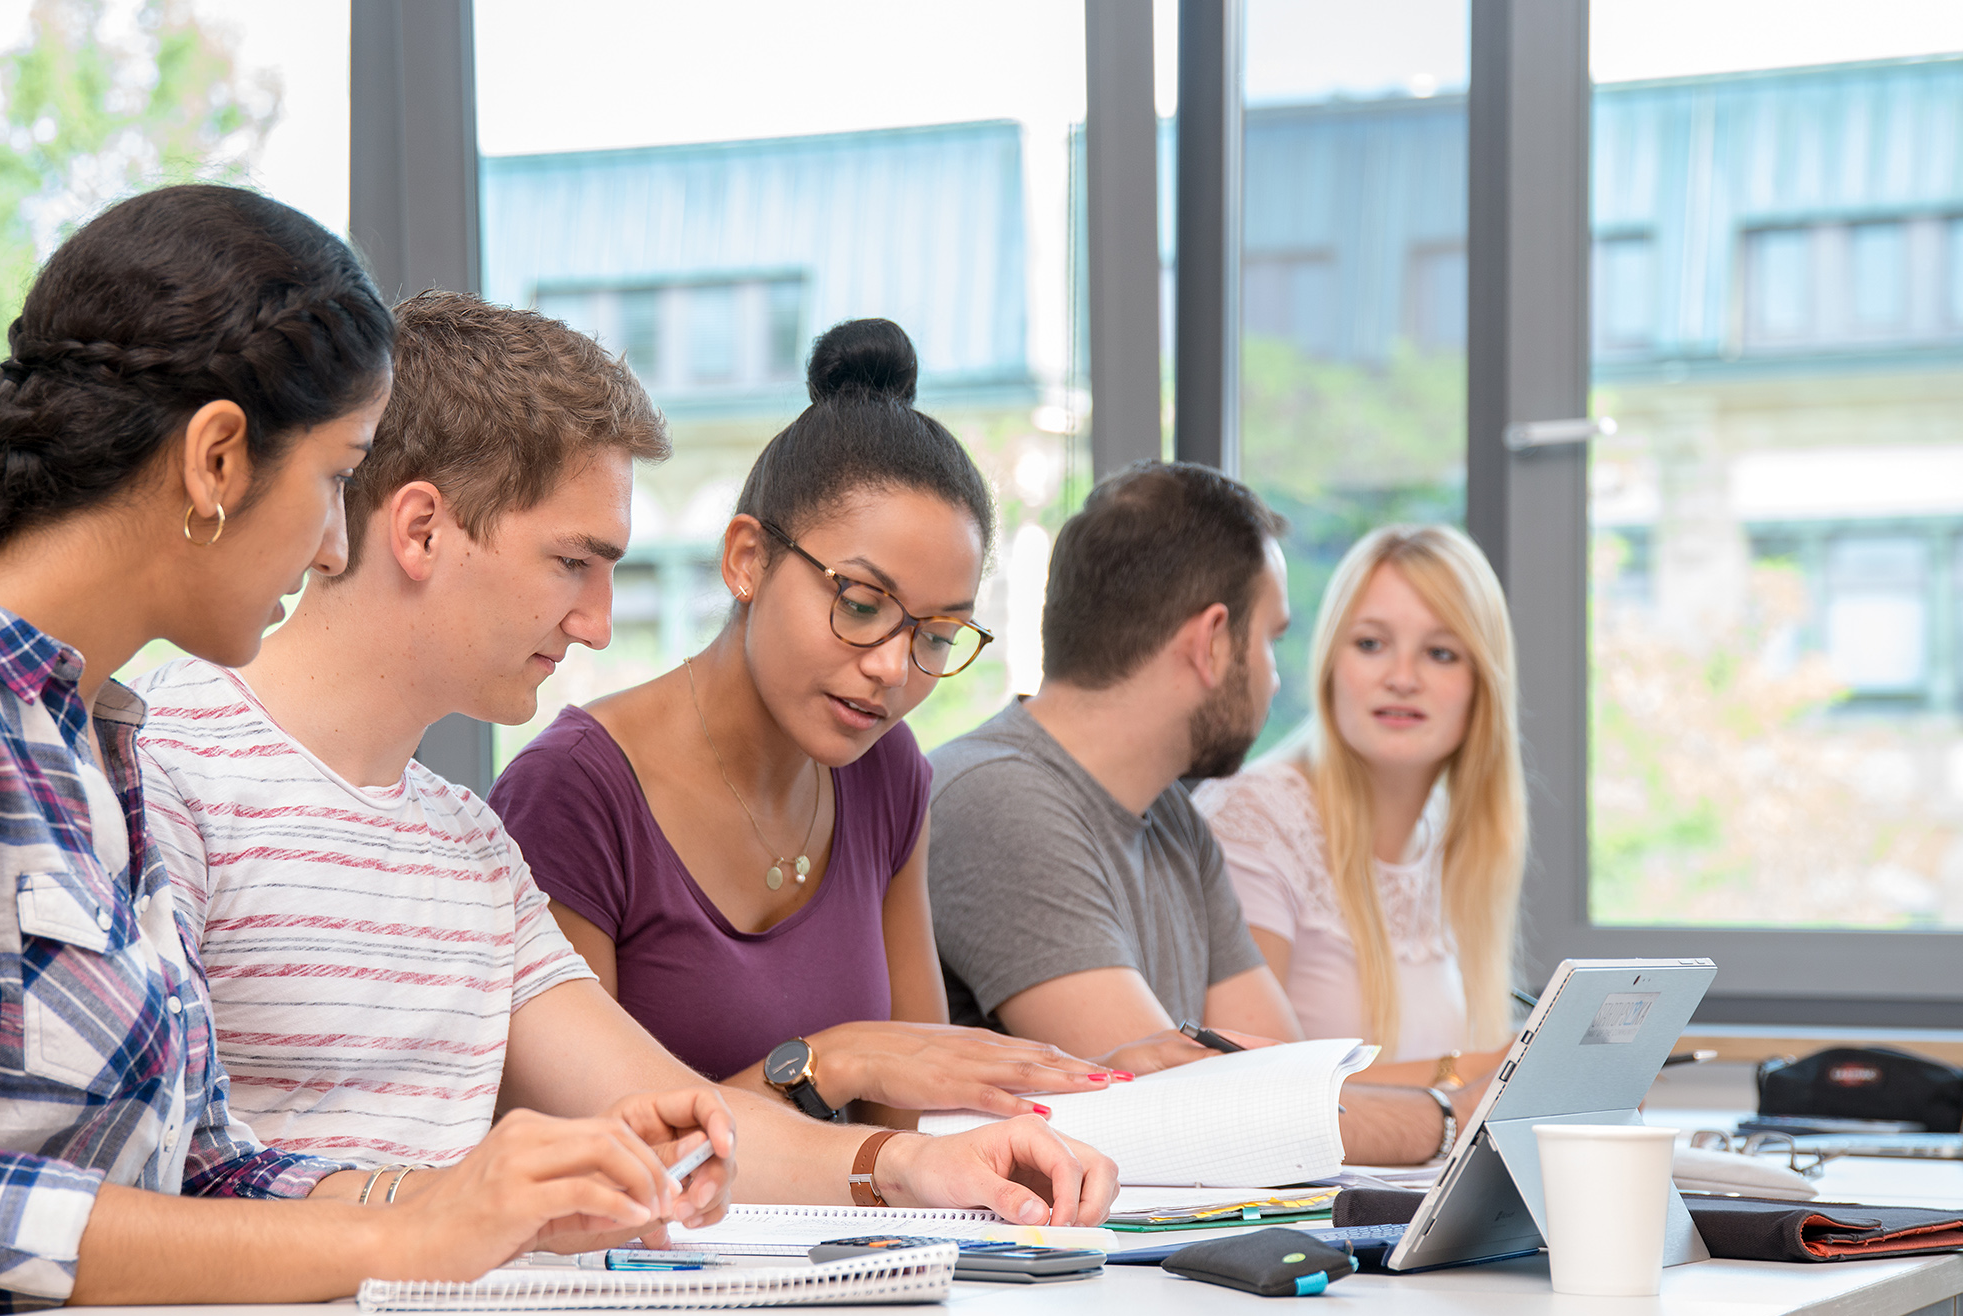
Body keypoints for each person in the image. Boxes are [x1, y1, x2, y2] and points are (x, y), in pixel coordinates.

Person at [0, 188, 730, 1316]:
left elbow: (203, 1169)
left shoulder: (89, 739)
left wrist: (472, 1203)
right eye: (339, 478)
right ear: (217, 458)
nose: (337, 540)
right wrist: (391, 1235)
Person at [134, 296, 1116, 1219]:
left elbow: (662, 1119)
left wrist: (904, 1164)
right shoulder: (165, 773)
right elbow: (102, 1203)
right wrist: (433, 1221)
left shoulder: (471, 848)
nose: (599, 627)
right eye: (574, 562)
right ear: (422, 529)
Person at [489, 317, 1116, 1124]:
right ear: (747, 559)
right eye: (859, 604)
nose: (893, 667)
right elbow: (576, 1149)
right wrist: (833, 1064)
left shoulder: (887, 773)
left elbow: (912, 1107)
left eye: (934, 635)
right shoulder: (572, 792)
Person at [927, 460, 1487, 1165]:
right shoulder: (996, 800)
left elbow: (1296, 1082)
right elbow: (1206, 1116)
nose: (1278, 676)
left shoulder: (1172, 816)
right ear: (1212, 640)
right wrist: (1452, 1112)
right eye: (1271, 638)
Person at [1192, 524, 1525, 1070]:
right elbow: (1253, 1085)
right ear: (1329, 666)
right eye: (1370, 644)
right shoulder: (1255, 817)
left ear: (1483, 684)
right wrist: (1481, 1073)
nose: (1401, 678)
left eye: (1440, 653)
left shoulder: (1455, 833)